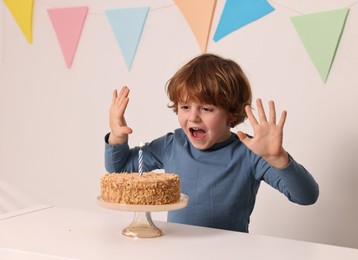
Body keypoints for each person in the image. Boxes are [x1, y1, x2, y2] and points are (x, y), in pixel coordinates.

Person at [104, 53, 319, 233]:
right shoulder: (173, 144)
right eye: (185, 106)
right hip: (178, 251)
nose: (193, 117)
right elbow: (120, 170)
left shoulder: (250, 152)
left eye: (206, 109)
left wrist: (278, 158)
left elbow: (306, 196)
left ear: (231, 115)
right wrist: (118, 137)